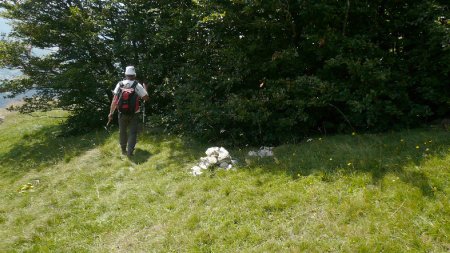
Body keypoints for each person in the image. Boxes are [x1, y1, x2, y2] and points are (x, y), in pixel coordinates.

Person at [108, 66, 149, 156]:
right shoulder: (137, 85)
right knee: (132, 132)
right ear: (134, 75)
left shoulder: (120, 84)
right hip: (134, 113)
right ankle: (130, 152)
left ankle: (123, 150)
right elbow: (146, 98)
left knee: (122, 131)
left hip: (121, 113)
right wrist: (145, 88)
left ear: (125, 74)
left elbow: (114, 100)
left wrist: (111, 113)